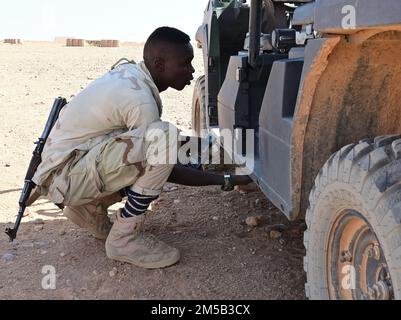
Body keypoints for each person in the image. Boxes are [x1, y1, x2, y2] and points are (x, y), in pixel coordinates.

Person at [32, 27, 252, 269]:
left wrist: (219, 150)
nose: (191, 71)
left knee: (160, 142)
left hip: (66, 171)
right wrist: (225, 180)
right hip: (67, 179)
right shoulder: (140, 101)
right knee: (164, 138)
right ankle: (124, 239)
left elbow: (163, 150)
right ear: (159, 64)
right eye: (185, 63)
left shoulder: (131, 75)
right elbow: (165, 165)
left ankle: (86, 208)